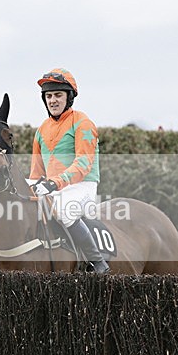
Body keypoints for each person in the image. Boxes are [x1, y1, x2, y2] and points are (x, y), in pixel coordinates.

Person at [30, 68, 110, 273]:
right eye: (48, 96)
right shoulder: (41, 130)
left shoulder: (82, 123)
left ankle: (98, 262)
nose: (53, 100)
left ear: (69, 97)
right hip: (53, 187)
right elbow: (36, 172)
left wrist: (54, 183)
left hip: (81, 186)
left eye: (58, 95)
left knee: (65, 211)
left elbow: (83, 165)